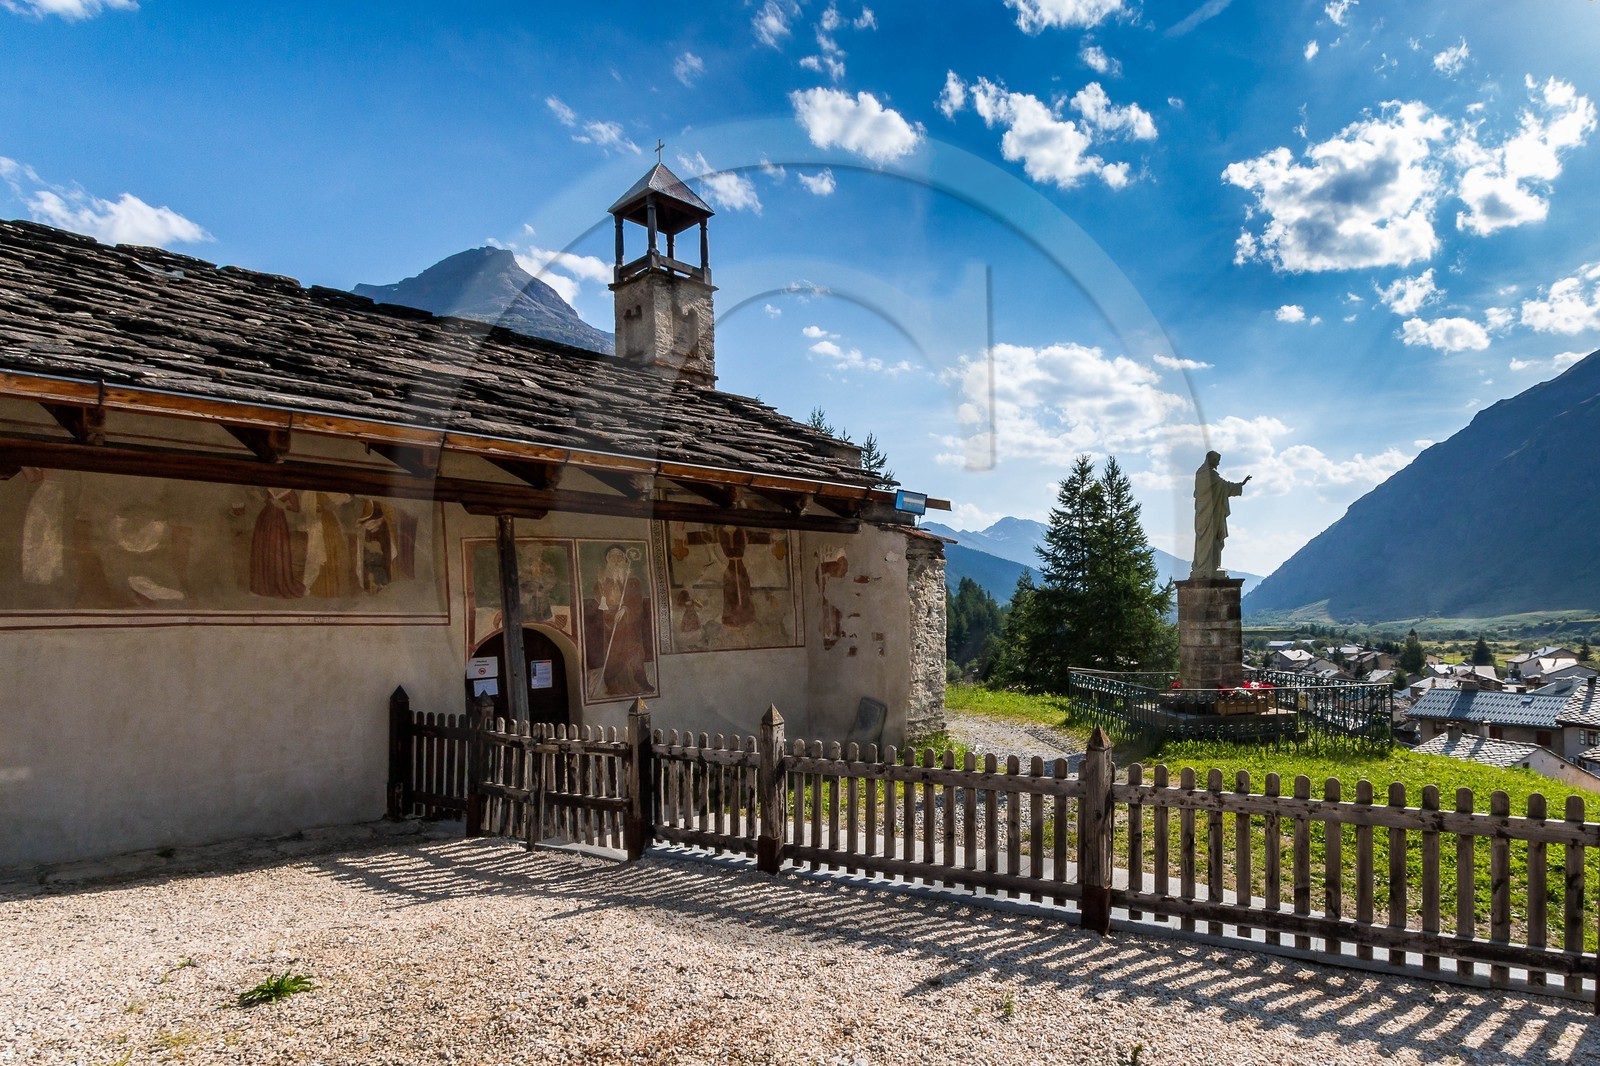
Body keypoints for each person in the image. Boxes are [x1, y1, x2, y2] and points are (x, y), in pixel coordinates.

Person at [1192, 451, 1249, 578]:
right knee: (1212, 540)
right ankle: (1209, 567)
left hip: (1203, 514)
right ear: (1211, 460)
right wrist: (1241, 485)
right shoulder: (1210, 475)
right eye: (1217, 460)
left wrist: (1240, 484)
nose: (1218, 463)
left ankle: (1205, 566)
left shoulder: (1200, 474)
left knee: (1207, 540)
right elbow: (1225, 486)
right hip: (1211, 515)